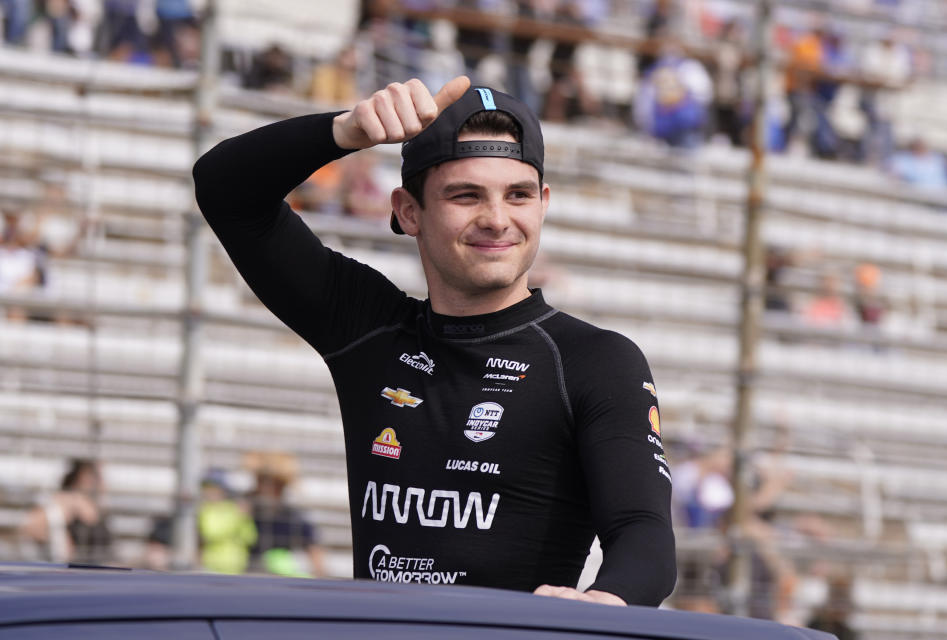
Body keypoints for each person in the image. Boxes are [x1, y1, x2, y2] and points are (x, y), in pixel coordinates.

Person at [193, 76, 676, 606]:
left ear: (543, 203)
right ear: (407, 211)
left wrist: (607, 603)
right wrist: (344, 131)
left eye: (517, 195)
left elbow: (643, 532)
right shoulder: (366, 326)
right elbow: (224, 189)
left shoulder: (594, 360)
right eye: (465, 195)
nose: (497, 219)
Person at [20, 459, 113, 564]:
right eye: (95, 476)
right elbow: (29, 528)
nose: (101, 482)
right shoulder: (62, 501)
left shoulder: (100, 509)